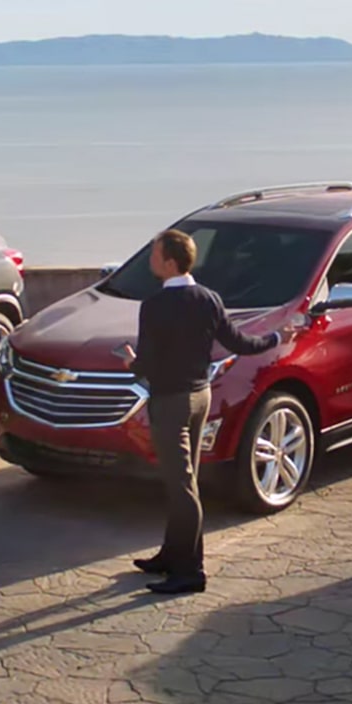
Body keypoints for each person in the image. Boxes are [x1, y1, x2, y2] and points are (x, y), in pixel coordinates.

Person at [119, 229, 297, 595]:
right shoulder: (209, 299)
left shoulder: (153, 306)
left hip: (170, 402)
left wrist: (131, 364)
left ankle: (191, 571)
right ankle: (172, 554)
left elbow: (149, 364)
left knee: (181, 484)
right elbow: (241, 343)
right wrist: (278, 338)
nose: (151, 259)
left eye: (154, 254)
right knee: (185, 479)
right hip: (200, 398)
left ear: (169, 262)